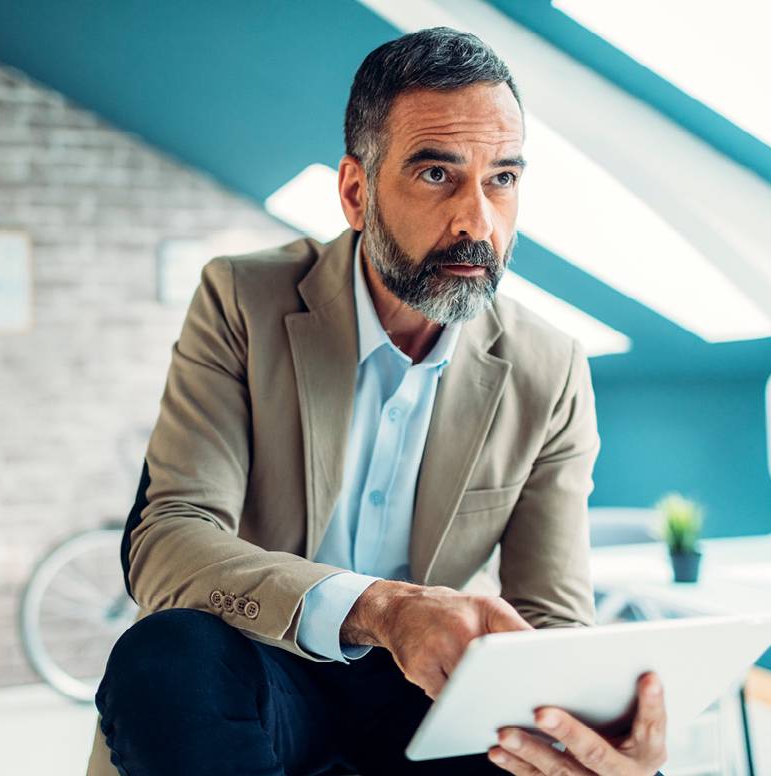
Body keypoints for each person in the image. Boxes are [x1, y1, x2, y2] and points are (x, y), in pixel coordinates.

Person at [94, 27, 668, 776]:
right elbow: (167, 540)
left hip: (424, 704)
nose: (478, 222)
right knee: (165, 656)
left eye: (503, 178)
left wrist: (604, 736)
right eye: (438, 175)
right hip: (261, 673)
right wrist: (384, 611)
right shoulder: (242, 298)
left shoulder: (550, 366)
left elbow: (552, 619)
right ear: (356, 193)